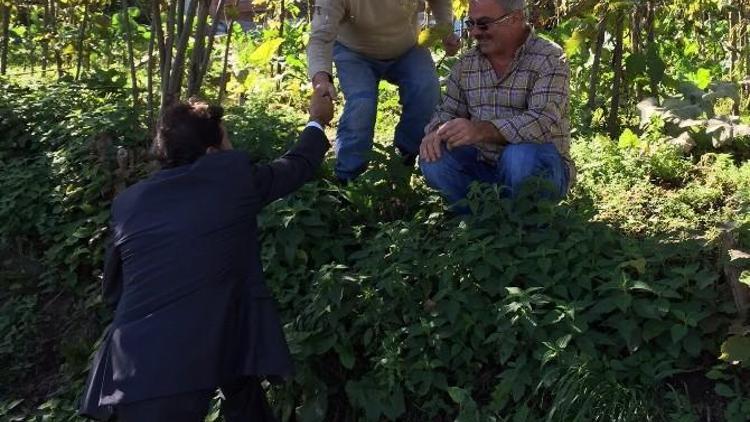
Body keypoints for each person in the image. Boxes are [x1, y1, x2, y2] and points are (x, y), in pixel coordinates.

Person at [78, 87, 334, 421]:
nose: (232, 149)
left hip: (135, 360)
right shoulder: (229, 179)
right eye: (227, 140)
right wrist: (317, 120)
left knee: (244, 395)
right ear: (212, 151)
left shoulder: (129, 203)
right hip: (168, 373)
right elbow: (297, 165)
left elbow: (113, 289)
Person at [419, 0, 575, 209]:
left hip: (536, 164)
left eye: (483, 24)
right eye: (470, 24)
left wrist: (483, 130)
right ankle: (480, 223)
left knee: (519, 157)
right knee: (434, 158)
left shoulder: (549, 59)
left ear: (516, 18)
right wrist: (436, 132)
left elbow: (542, 122)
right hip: (483, 166)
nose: (474, 32)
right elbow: (448, 111)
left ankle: (525, 222)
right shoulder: (466, 64)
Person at [307, 0, 460, 182]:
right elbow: (320, 36)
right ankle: (348, 178)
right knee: (361, 102)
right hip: (353, 51)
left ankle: (403, 162)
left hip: (407, 48)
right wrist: (321, 80)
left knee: (426, 91)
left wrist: (446, 30)